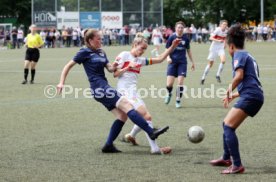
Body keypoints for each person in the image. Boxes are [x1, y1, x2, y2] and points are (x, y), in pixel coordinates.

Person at [57, 29, 170, 153]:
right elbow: (68, 66)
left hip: (103, 87)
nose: (101, 40)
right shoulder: (84, 52)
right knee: (127, 106)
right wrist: (61, 82)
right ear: (90, 40)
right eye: (98, 39)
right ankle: (151, 132)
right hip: (99, 88)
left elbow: (111, 69)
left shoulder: (101, 52)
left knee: (122, 116)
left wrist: (118, 65)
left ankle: (108, 145)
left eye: (101, 38)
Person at [209, 24, 264, 174]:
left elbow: (239, 76)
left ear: (231, 45)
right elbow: (251, 81)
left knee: (228, 127)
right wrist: (235, 94)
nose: (227, 50)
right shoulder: (247, 55)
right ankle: (226, 158)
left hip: (251, 96)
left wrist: (228, 91)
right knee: (226, 123)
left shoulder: (239, 55)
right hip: (254, 95)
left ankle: (237, 165)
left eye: (227, 47)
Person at [114, 33, 181, 154]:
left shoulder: (140, 60)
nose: (143, 51)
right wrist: (128, 66)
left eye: (145, 49)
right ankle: (155, 149)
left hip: (132, 92)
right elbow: (115, 74)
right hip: (125, 92)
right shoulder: (124, 55)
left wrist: (172, 47)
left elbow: (160, 59)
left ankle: (131, 135)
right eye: (141, 48)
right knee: (147, 117)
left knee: (142, 118)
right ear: (135, 44)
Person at [164, 21, 195, 108]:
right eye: (178, 27)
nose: (180, 29)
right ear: (175, 28)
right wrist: (168, 58)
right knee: (169, 85)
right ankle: (169, 93)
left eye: (182, 27)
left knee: (180, 82)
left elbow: (188, 51)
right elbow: (167, 49)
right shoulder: (172, 37)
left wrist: (192, 62)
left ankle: (178, 100)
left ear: (183, 29)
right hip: (172, 63)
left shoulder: (186, 38)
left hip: (182, 63)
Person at [201, 20, 228, 85]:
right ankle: (203, 77)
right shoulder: (217, 30)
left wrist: (225, 43)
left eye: (226, 24)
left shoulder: (226, 31)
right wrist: (218, 40)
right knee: (210, 64)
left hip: (221, 48)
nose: (225, 25)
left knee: (223, 60)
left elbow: (225, 38)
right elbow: (210, 38)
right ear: (220, 25)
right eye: (224, 24)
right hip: (214, 48)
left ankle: (217, 75)